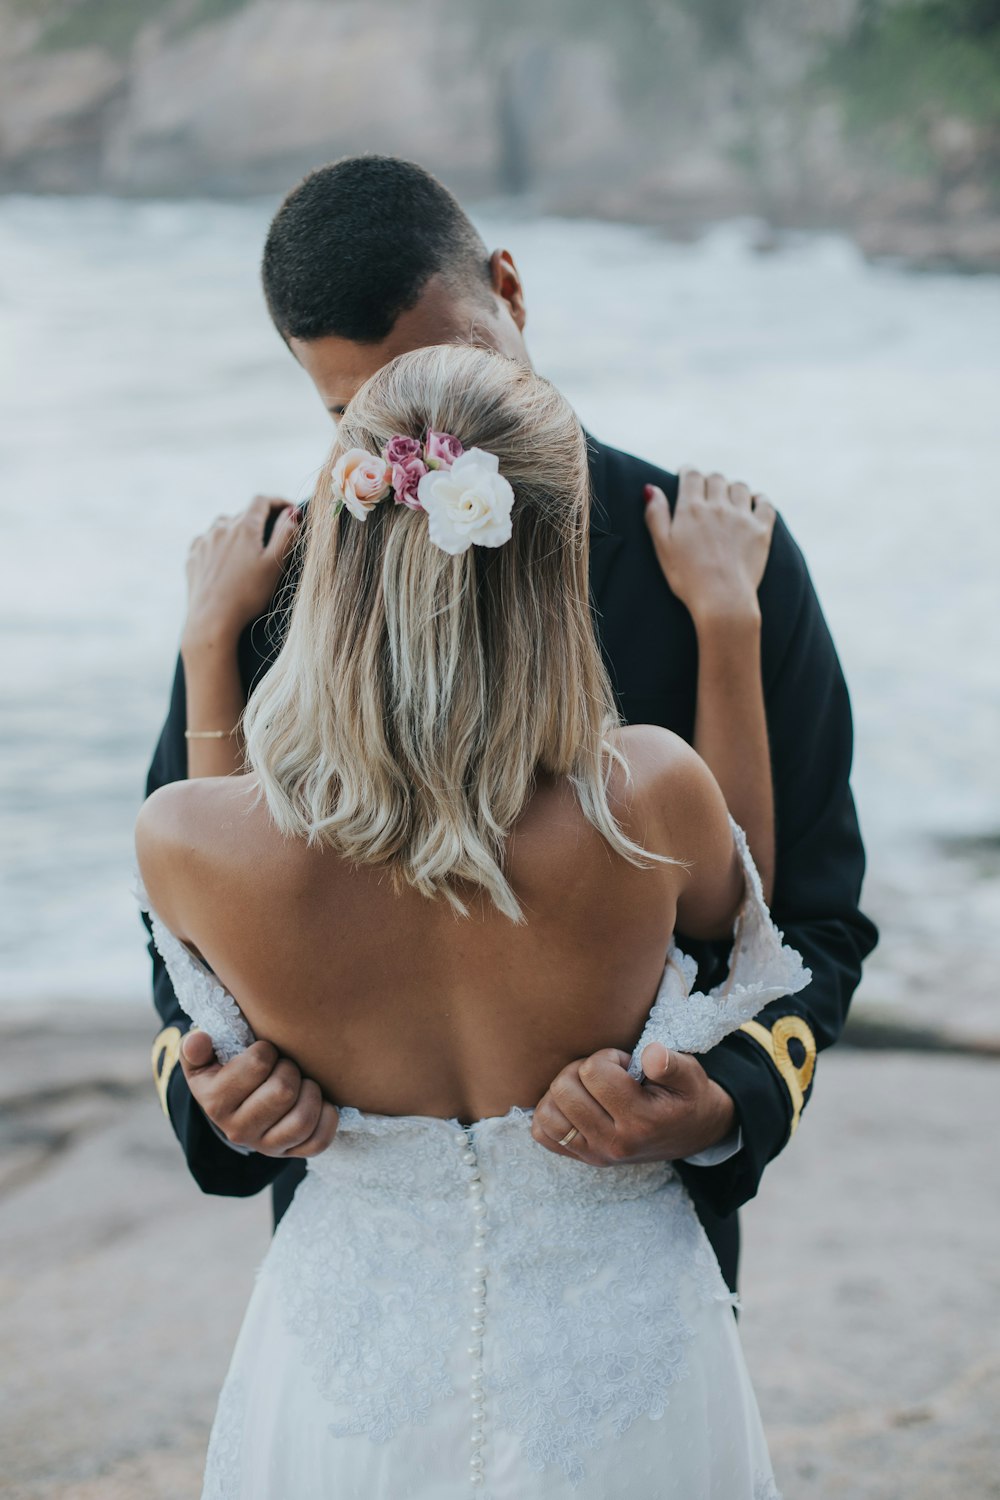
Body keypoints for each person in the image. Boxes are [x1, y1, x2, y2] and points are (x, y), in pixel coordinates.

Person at [144, 156, 877, 1297]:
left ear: (510, 289)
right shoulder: (268, 593)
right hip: (363, 1241)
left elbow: (812, 920)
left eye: (453, 368)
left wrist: (731, 1092)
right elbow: (182, 937)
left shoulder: (720, 564)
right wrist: (210, 1089)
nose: (426, 441)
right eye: (358, 418)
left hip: (625, 1233)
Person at [136, 342, 811, 1496]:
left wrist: (210, 651)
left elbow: (225, 846)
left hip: (347, 1360)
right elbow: (739, 897)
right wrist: (729, 626)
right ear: (562, 571)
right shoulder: (648, 794)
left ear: (340, 553)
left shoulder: (189, 841)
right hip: (622, 1351)